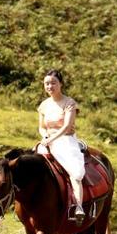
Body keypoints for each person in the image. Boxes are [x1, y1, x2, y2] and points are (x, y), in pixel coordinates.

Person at [37, 69, 86, 222]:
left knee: (75, 173)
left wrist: (52, 139)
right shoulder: (44, 105)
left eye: (53, 83)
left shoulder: (69, 103)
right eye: (47, 83)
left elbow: (66, 126)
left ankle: (79, 206)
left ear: (60, 84)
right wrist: (45, 136)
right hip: (48, 139)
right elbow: (41, 127)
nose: (50, 86)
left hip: (66, 140)